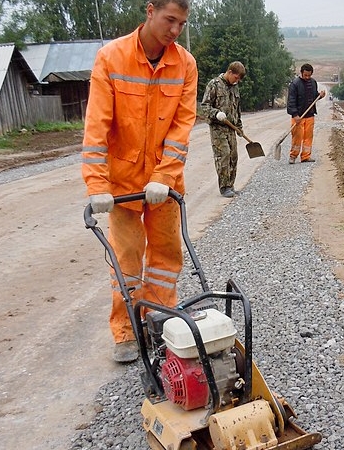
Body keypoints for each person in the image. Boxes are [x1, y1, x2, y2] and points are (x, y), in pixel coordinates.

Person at [81, 0, 198, 363]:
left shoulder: (185, 64)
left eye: (181, 23)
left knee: (166, 258)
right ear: (150, 11)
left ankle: (161, 321)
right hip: (122, 185)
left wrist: (164, 176)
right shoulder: (111, 58)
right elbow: (97, 125)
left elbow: (182, 127)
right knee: (127, 260)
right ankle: (127, 330)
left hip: (165, 185)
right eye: (169, 20)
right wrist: (97, 185)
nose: (175, 31)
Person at [201, 61, 247, 198]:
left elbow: (236, 109)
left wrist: (239, 126)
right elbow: (205, 107)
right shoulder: (214, 84)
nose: (237, 81)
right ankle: (224, 187)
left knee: (233, 156)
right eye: (236, 77)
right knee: (224, 155)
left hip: (231, 128)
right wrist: (216, 114)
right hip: (218, 128)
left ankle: (231, 186)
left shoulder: (234, 87)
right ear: (230, 72)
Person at [286, 63, 326, 164]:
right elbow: (291, 101)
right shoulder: (295, 84)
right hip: (298, 117)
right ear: (301, 73)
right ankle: (293, 156)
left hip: (310, 115)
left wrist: (320, 95)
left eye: (309, 75)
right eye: (305, 75)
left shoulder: (313, 82)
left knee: (308, 137)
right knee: (297, 137)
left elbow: (314, 96)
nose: (307, 77)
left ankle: (305, 156)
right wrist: (295, 115)